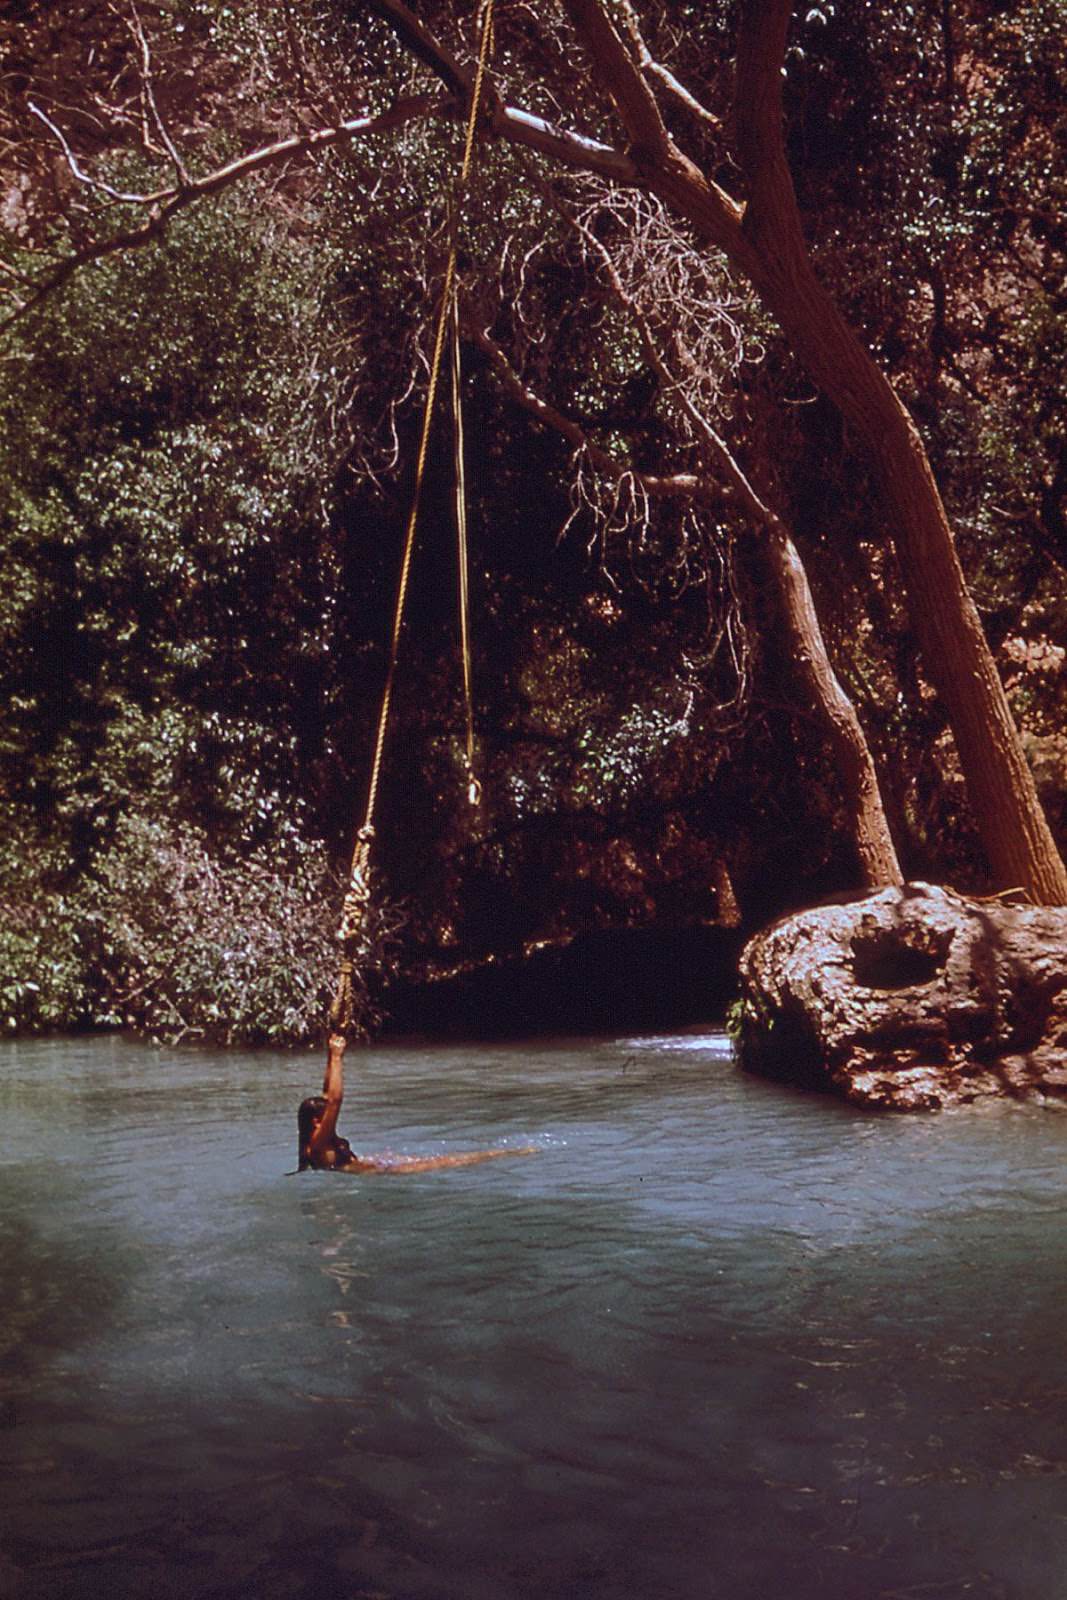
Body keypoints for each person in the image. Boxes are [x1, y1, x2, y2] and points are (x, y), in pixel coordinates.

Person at [297, 1033, 536, 1174]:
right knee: (454, 1161)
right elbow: (336, 1099)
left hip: (379, 1165)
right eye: (325, 1111)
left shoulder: (319, 1137)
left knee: (451, 1158)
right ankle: (511, 1153)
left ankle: (508, 1153)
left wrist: (332, 1056)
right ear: (317, 1120)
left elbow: (329, 1092)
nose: (330, 1111)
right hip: (383, 1174)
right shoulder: (318, 1144)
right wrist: (337, 1058)